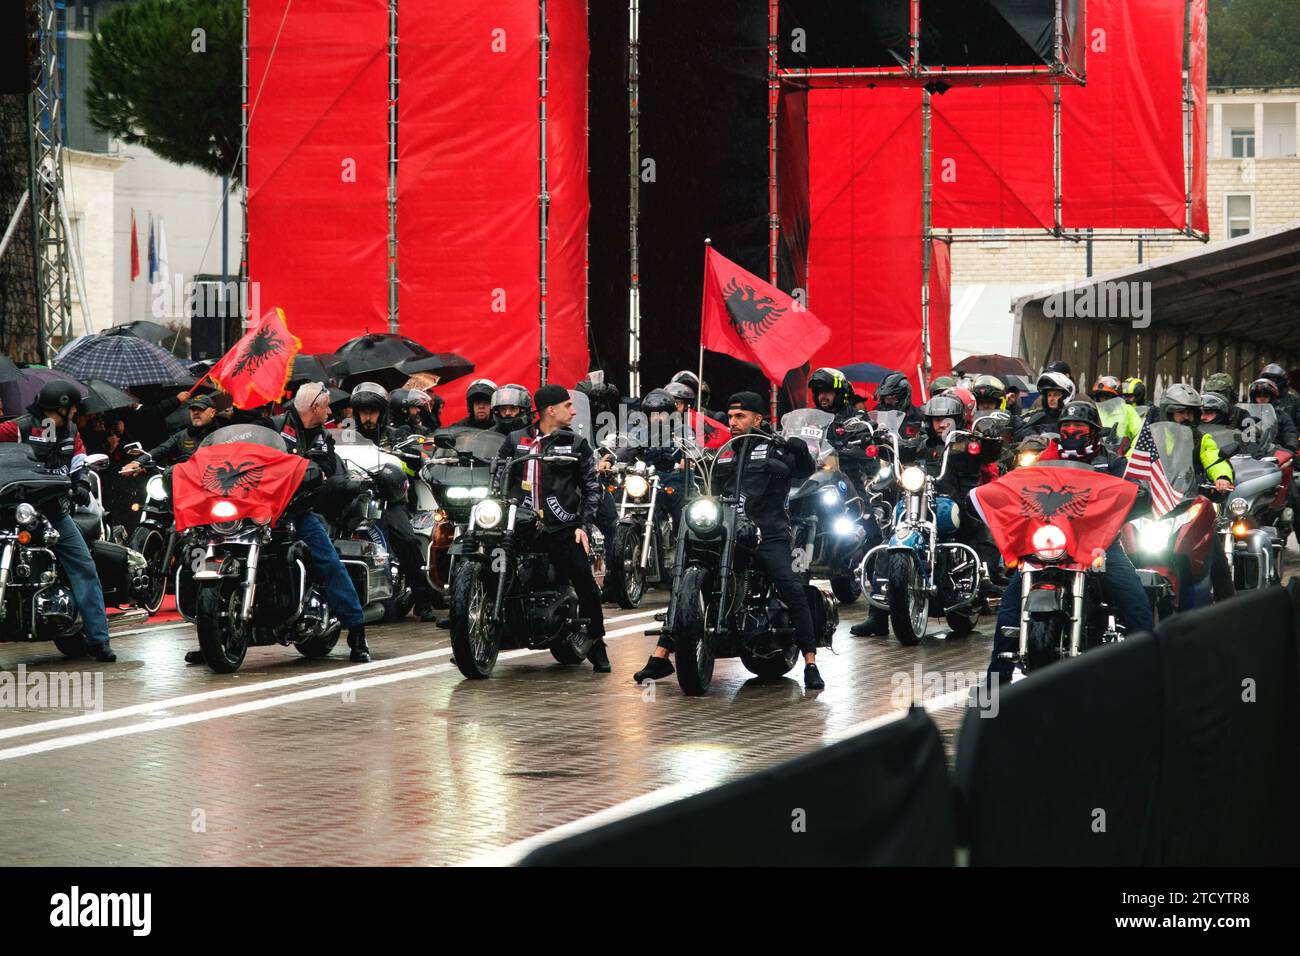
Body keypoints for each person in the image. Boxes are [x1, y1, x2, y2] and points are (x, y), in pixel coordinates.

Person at [634, 391, 825, 690]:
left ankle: (811, 661)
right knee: (686, 575)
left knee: (790, 585)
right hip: (728, 530)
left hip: (767, 531)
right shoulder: (724, 452)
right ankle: (662, 654)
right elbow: (708, 482)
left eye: (740, 417)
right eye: (731, 416)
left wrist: (799, 452)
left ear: (757, 419)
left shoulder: (774, 449)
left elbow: (803, 472)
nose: (733, 422)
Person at [987, 400, 1154, 681]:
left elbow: (1134, 488)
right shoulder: (1045, 458)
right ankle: (996, 680)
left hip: (1098, 542)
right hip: (1049, 542)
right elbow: (1019, 487)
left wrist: (1138, 494)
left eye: (1079, 426)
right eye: (1066, 426)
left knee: (1134, 598)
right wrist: (994, 495)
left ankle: (1149, 671)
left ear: (1093, 431)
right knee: (1010, 604)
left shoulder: (1113, 462)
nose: (1072, 431)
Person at [0, 381, 117, 661]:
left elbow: (79, 461)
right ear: (61, 408)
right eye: (73, 407)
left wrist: (82, 485)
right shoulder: (18, 428)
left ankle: (99, 640)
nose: (77, 411)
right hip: (14, 508)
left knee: (84, 566)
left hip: (53, 511)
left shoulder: (72, 432)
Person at [258, 383, 371, 663]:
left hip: (297, 510)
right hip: (260, 507)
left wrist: (313, 468)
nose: (330, 410)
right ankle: (212, 631)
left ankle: (357, 631)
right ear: (314, 407)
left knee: (327, 559)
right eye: (327, 406)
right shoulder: (272, 427)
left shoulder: (321, 436)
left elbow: (330, 466)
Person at [507, 385, 610, 672]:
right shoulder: (516, 439)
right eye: (568, 405)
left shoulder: (577, 444)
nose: (573, 410)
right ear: (550, 410)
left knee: (582, 576)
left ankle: (597, 641)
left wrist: (583, 526)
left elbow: (592, 488)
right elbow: (498, 477)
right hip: (521, 526)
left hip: (561, 527)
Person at [348, 382, 439, 622]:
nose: (367, 417)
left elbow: (418, 462)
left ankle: (423, 598)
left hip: (389, 499)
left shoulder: (396, 434)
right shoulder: (346, 435)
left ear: (381, 412)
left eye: (372, 411)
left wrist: (407, 457)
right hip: (353, 499)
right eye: (363, 412)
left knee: (407, 540)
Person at [1143, 384, 1235, 604]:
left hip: (1188, 504)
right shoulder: (1150, 437)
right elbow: (1130, 461)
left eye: (1190, 413)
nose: (1186, 417)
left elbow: (1214, 460)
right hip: (1154, 505)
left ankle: (1228, 611)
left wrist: (1222, 478)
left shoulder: (1201, 440)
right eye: (1181, 412)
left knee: (1214, 555)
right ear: (1168, 412)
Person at [120, 394, 220, 475]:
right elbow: (162, 449)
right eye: (193, 409)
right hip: (185, 483)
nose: (196, 413)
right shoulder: (182, 435)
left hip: (215, 483)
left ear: (212, 412)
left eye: (201, 409)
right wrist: (138, 462)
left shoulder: (223, 436)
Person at [1090, 375, 1143, 450]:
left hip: (1120, 455)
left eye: (1107, 396)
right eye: (1100, 397)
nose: (1103, 400)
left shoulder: (1127, 410)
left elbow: (1139, 434)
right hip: (1097, 455)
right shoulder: (1094, 411)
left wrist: (1129, 456)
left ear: (1115, 397)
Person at [1246, 378, 1300, 451]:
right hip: (1249, 452)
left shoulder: (1282, 416)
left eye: (1265, 395)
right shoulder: (1246, 414)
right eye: (1258, 395)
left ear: (1272, 397)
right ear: (1253, 397)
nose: (1262, 398)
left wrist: (1290, 446)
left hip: (1274, 453)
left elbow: (1290, 433)